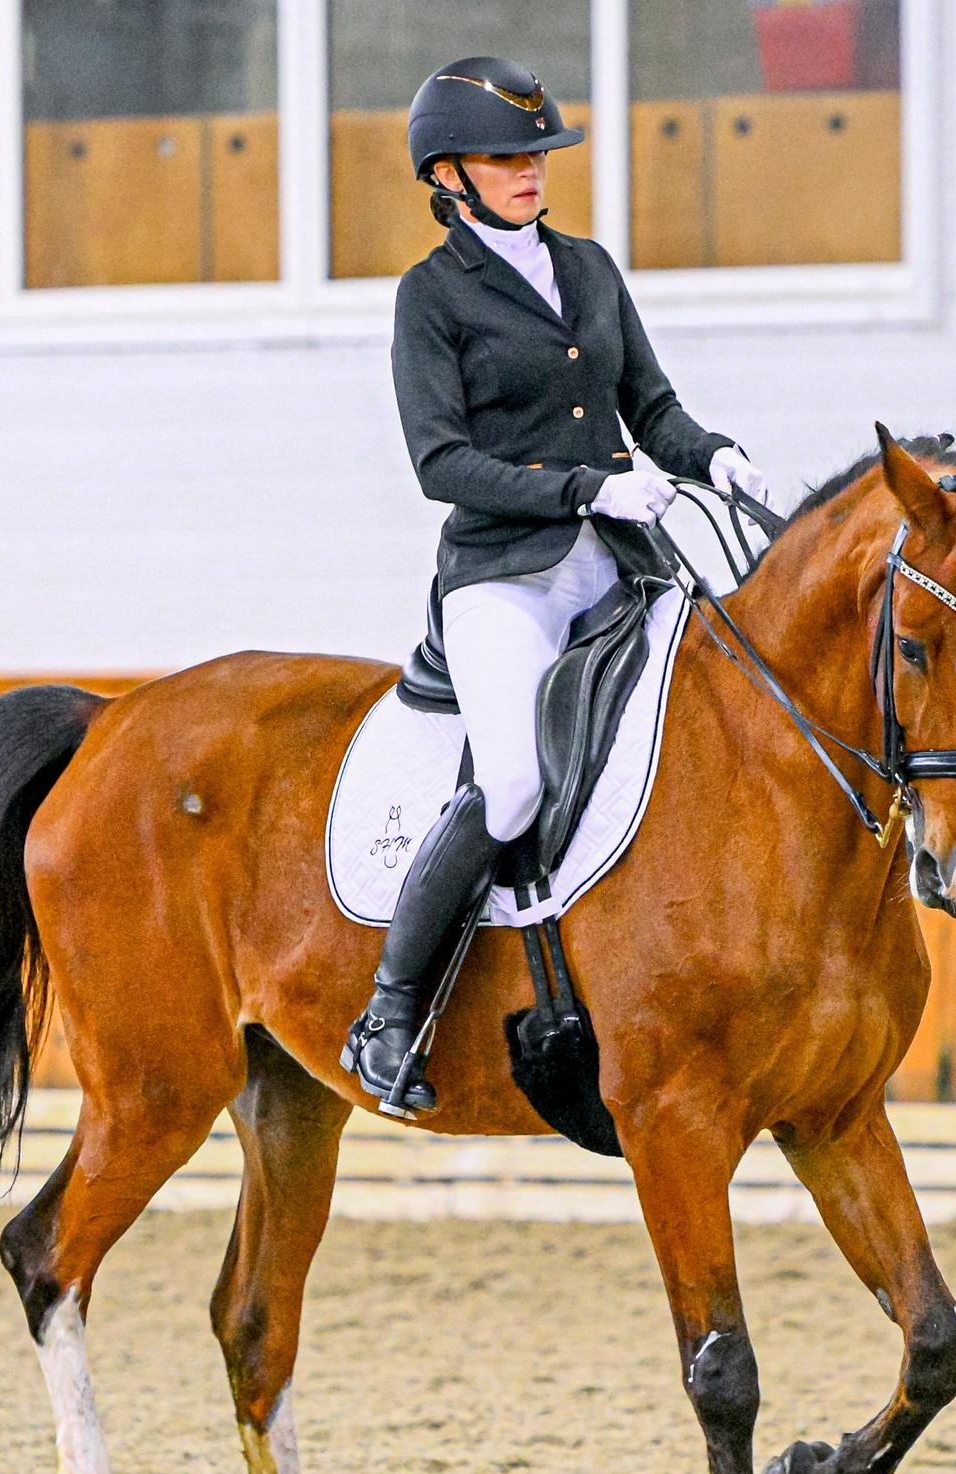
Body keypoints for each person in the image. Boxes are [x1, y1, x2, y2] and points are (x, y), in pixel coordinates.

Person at [343, 55, 770, 1115]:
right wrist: (588, 487)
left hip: (620, 563)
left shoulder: (586, 269)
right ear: (448, 173)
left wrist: (715, 459)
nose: (531, 172)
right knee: (517, 781)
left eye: (538, 155)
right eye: (506, 157)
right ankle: (391, 1017)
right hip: (505, 575)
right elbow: (440, 464)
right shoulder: (431, 297)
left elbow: (652, 408)